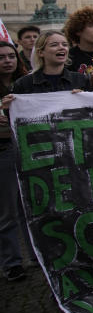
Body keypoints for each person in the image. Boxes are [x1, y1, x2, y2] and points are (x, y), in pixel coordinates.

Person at [0, 40, 27, 281]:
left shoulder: (24, 84)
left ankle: (37, 255)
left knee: (29, 207)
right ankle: (12, 263)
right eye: (2, 57)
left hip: (25, 148)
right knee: (8, 211)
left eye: (11, 56)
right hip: (3, 150)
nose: (8, 60)